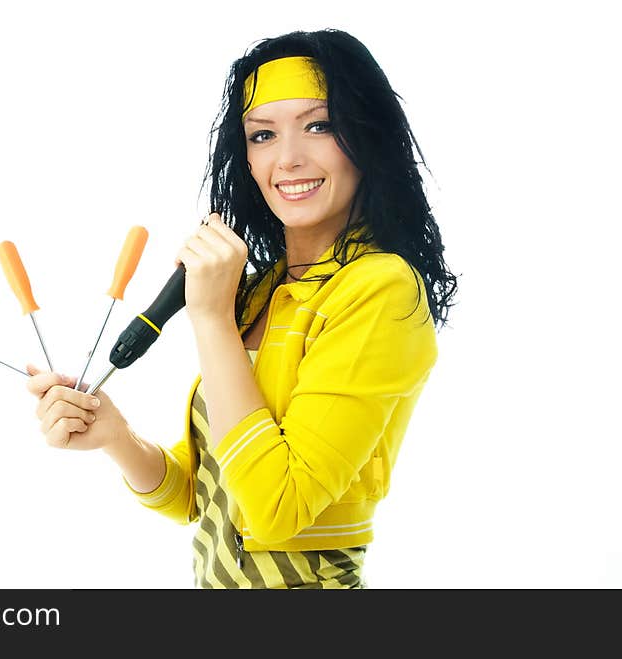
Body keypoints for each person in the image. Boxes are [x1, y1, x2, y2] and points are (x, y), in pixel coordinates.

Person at [26, 28, 458, 588]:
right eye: (262, 135)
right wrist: (114, 435)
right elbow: (198, 494)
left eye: (319, 126)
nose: (288, 159)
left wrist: (209, 319)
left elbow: (276, 508)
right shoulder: (262, 292)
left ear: (365, 139)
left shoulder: (380, 289)